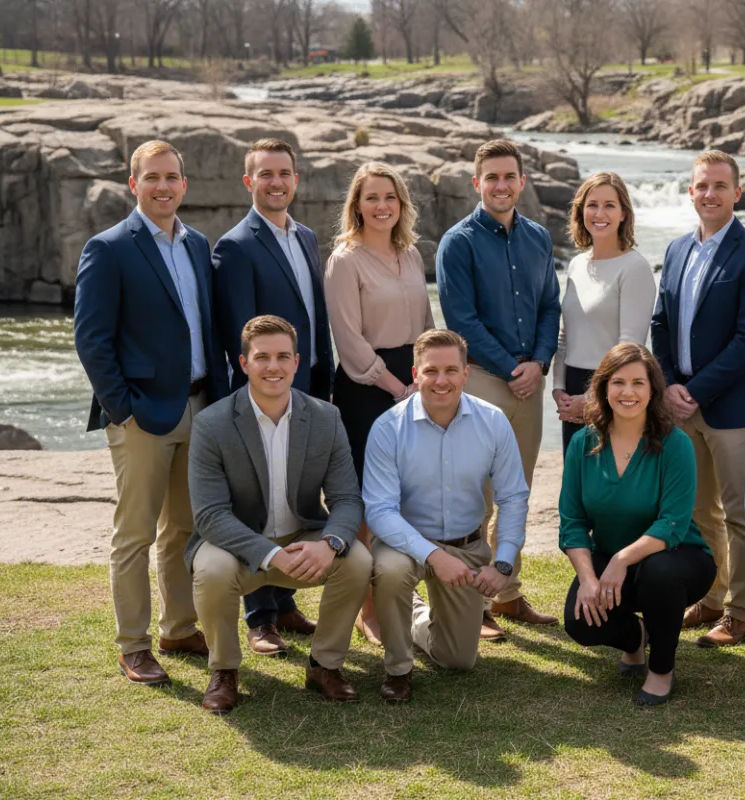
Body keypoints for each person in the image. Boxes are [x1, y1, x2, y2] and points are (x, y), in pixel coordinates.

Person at [73, 140, 229, 685]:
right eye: (152, 177)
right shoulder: (109, 248)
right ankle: (133, 644)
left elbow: (207, 329)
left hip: (201, 404)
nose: (163, 186)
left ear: (185, 185)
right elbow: (91, 340)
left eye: (172, 177)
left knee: (184, 528)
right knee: (135, 532)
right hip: (142, 413)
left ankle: (178, 627)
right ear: (133, 184)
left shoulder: (197, 245)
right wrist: (123, 410)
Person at [186, 315, 372, 714]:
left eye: (283, 357)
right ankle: (224, 670)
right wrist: (269, 555)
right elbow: (210, 515)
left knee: (357, 560)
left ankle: (325, 665)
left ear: (297, 361)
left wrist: (330, 543)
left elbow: (347, 499)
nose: (274, 366)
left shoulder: (326, 417)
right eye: (263, 357)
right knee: (212, 569)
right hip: (235, 544)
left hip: (304, 537)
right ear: (244, 363)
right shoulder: (211, 424)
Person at [650, 150, 745, 648]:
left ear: (737, 193)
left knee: (741, 512)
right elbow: (661, 322)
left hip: (732, 409)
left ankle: (741, 613)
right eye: (702, 186)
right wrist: (667, 384)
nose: (710, 194)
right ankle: (710, 597)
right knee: (699, 511)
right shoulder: (679, 249)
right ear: (690, 191)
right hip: (681, 404)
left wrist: (696, 391)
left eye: (720, 186)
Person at [212, 139, 333, 656]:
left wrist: (322, 373)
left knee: (296, 495)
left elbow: (313, 315)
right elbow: (240, 334)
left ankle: (285, 604)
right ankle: (258, 615)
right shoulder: (235, 246)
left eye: (284, 172)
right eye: (265, 174)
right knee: (257, 500)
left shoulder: (305, 236)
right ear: (249, 182)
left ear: (296, 179)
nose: (276, 181)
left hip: (308, 388)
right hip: (263, 395)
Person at [436, 138, 561, 639]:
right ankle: (476, 607)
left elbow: (552, 304)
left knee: (517, 493)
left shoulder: (538, 238)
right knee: (478, 497)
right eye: (492, 177)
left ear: (522, 182)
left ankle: (507, 596)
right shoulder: (458, 242)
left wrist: (541, 363)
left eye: (509, 177)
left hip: (530, 382)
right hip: (486, 381)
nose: (501, 185)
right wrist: (514, 366)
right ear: (477, 183)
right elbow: (460, 318)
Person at [363, 329, 529, 702]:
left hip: (466, 546)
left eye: (451, 370)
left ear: (466, 373)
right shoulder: (388, 428)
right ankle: (398, 669)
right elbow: (380, 510)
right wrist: (435, 557)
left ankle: (413, 614)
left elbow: (514, 496)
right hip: (404, 544)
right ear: (415, 373)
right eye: (431, 371)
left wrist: (502, 565)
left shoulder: (494, 422)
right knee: (390, 571)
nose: (441, 381)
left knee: (458, 660)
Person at [561, 344, 716, 706]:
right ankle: (636, 638)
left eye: (637, 383)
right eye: (618, 382)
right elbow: (572, 522)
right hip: (612, 558)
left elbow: (673, 523)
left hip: (678, 558)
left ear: (652, 390)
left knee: (659, 573)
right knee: (579, 622)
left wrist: (620, 560)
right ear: (602, 388)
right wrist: (588, 577)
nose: (627, 392)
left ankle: (662, 669)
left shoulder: (675, 443)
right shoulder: (582, 444)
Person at [324, 161, 435, 646]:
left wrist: (429, 376)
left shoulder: (410, 254)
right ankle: (367, 609)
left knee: (409, 495)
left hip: (413, 380)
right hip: (367, 389)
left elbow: (428, 322)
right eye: (372, 197)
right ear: (357, 205)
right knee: (371, 503)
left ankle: (400, 594)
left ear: (400, 203)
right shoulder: (344, 260)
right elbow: (349, 343)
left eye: (389, 197)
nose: (382, 206)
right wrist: (398, 387)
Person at [553, 172, 656, 455]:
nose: (600, 213)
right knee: (577, 485)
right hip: (572, 391)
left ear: (624, 213)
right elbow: (565, 334)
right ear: (581, 210)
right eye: (592, 204)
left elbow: (629, 346)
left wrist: (590, 399)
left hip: (615, 392)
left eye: (610, 205)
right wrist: (559, 389)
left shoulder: (635, 267)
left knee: (609, 487)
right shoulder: (575, 265)